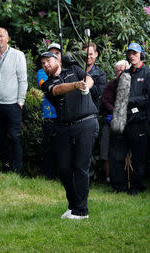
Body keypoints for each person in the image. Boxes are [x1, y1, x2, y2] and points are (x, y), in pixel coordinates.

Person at [40, 51, 99, 220]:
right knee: (64, 168)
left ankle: (82, 211)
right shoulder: (46, 84)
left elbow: (89, 78)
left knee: (81, 166)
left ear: (57, 60)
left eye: (48, 61)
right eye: (43, 63)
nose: (45, 65)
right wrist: (76, 85)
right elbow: (58, 90)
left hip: (86, 122)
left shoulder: (74, 69)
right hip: (64, 127)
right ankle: (73, 206)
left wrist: (86, 85)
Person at [109, 43, 150, 195]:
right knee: (116, 155)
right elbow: (116, 95)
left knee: (139, 157)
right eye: (130, 53)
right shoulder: (125, 74)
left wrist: (132, 100)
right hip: (123, 120)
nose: (132, 56)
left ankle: (137, 187)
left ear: (141, 54)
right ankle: (119, 186)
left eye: (135, 53)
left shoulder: (149, 73)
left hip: (140, 121)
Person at [0, 27, 28, 173]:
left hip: (12, 105)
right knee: (0, 139)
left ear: (7, 39)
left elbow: (23, 80)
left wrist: (20, 101)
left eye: (1, 36)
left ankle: (17, 170)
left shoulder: (18, 55)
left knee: (13, 136)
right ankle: (6, 168)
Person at [100, 60, 130, 183]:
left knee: (126, 151)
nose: (119, 73)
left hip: (128, 121)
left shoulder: (130, 84)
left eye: (121, 71)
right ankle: (108, 178)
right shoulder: (111, 84)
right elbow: (105, 101)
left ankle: (126, 178)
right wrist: (116, 112)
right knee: (106, 149)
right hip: (111, 119)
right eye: (117, 71)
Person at [37, 42, 61, 180]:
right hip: (49, 115)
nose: (54, 55)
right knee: (49, 147)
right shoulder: (41, 72)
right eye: (51, 53)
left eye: (57, 53)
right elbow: (48, 87)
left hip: (65, 115)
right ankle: (49, 177)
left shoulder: (67, 70)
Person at [83, 42, 106, 108]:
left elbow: (98, 92)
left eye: (91, 54)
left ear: (96, 54)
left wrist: (84, 85)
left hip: (91, 111)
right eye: (86, 54)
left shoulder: (100, 74)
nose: (88, 57)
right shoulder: (76, 70)